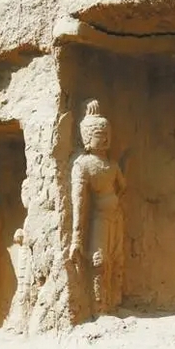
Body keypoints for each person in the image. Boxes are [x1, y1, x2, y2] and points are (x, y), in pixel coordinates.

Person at [69, 99, 126, 313]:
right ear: (87, 138)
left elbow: (123, 186)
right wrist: (76, 238)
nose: (105, 139)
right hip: (99, 218)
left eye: (107, 134)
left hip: (116, 216)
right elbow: (79, 202)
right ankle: (99, 307)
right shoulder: (82, 165)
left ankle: (115, 301)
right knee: (99, 261)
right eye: (100, 135)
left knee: (118, 258)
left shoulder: (112, 165)